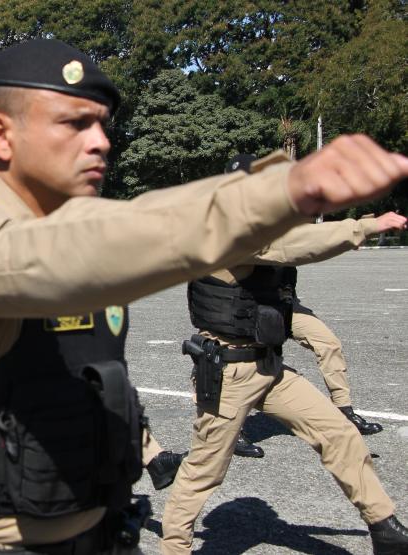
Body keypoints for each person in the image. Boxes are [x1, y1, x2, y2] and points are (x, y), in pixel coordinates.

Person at [0, 38, 408, 554]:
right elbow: (51, 255)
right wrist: (276, 192)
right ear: (0, 135)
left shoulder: (78, 227)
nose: (101, 141)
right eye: (74, 123)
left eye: (102, 124)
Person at [164, 199, 408, 550]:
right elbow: (297, 244)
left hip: (269, 369)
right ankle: (174, 547)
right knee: (204, 471)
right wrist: (365, 227)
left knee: (338, 433)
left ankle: (384, 529)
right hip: (230, 374)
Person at [222, 156, 395, 458]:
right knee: (247, 368)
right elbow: (290, 246)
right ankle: (231, 430)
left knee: (327, 343)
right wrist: (354, 231)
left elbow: (304, 237)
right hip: (249, 310)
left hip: (284, 304)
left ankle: (343, 410)